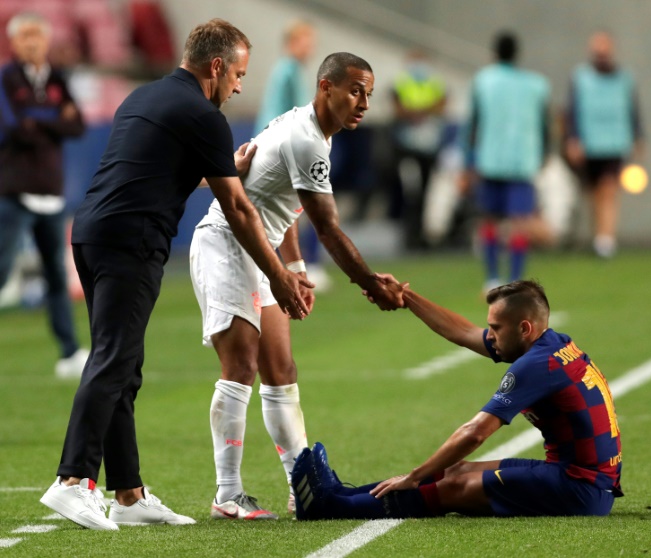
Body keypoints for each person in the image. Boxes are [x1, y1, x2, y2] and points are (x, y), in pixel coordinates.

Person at [40, 19, 312, 531]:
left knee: (122, 364)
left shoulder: (146, 96)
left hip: (91, 233)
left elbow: (152, 170)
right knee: (114, 358)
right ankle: (73, 480)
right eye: (237, 74)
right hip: (131, 242)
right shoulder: (204, 116)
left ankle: (129, 493)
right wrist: (278, 274)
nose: (238, 85)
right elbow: (237, 205)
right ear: (216, 66)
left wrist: (221, 165)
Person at [192, 52, 404, 520]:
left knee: (281, 368)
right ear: (325, 87)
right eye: (355, 90)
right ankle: (227, 494)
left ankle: (301, 485)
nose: (364, 102)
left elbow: (281, 205)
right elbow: (328, 227)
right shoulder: (307, 140)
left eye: (368, 93)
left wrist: (296, 265)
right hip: (227, 245)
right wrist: (369, 282)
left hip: (261, 250)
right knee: (241, 363)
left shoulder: (309, 132)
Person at [292, 280, 623, 520]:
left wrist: (415, 475)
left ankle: (333, 507)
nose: (489, 335)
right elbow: (463, 332)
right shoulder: (552, 344)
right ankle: (343, 495)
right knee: (456, 470)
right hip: (581, 478)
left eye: (495, 328)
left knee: (455, 488)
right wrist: (406, 297)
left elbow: (475, 433)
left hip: (580, 490)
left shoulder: (536, 366)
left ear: (524, 328)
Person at [0, 12, 88, 379]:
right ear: (14, 42)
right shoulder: (6, 78)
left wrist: (38, 119)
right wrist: (54, 118)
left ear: (47, 40)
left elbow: (77, 124)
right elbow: (11, 127)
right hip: (13, 190)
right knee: (1, 271)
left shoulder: (56, 78)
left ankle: (69, 352)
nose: (32, 42)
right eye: (25, 36)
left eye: (38, 35)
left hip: (50, 192)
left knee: (55, 276)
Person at [463, 32, 550, 292]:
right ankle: (515, 281)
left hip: (490, 160)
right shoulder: (537, 84)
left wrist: (469, 160)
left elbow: (473, 124)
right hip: (523, 161)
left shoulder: (483, 81)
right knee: (519, 223)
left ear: (494, 53)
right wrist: (544, 155)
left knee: (489, 221)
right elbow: (545, 126)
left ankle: (491, 278)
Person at [255, 21, 332, 291]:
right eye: (304, 41)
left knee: (294, 210)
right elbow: (285, 114)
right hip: (282, 150)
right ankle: (305, 266)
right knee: (302, 208)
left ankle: (296, 267)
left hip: (283, 147)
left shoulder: (293, 70)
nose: (309, 47)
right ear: (291, 43)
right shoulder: (287, 71)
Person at [564, 31, 643, 259]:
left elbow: (633, 108)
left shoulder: (624, 78)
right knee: (594, 192)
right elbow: (573, 110)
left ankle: (606, 240)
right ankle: (599, 237)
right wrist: (573, 138)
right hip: (590, 142)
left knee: (609, 189)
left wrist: (638, 135)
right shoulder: (581, 76)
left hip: (615, 141)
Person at [390, 49, 448, 250]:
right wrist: (418, 112)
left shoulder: (433, 82)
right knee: (410, 193)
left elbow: (443, 104)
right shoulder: (402, 82)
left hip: (429, 148)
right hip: (407, 148)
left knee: (426, 194)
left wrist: (421, 111)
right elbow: (396, 107)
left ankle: (422, 236)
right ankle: (409, 236)